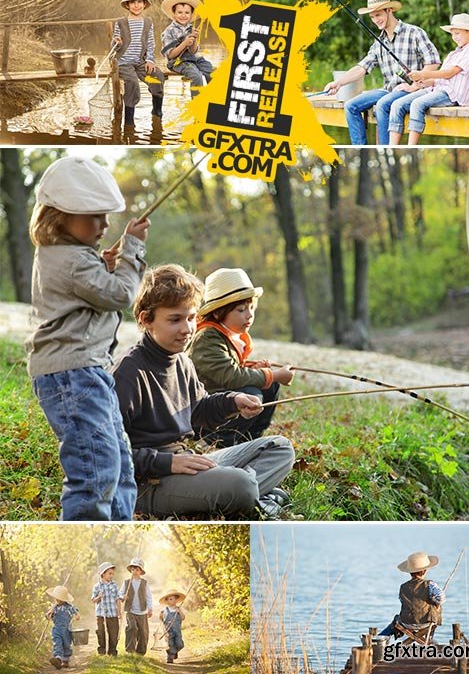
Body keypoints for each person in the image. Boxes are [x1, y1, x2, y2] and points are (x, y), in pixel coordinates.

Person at [113, 264, 295, 520]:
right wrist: (168, 463)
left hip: (185, 460)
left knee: (280, 448)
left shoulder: (182, 361)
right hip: (148, 481)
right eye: (175, 319)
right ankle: (255, 494)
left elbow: (199, 410)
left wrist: (233, 401)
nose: (187, 329)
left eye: (191, 318)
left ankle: (252, 493)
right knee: (240, 485)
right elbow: (109, 451)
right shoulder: (129, 372)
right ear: (146, 320)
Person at [27, 155, 149, 520]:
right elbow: (120, 295)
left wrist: (105, 265)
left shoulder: (67, 256)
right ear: (61, 216)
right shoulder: (74, 261)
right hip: (73, 375)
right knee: (97, 470)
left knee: (121, 465)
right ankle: (88, 528)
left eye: (105, 215)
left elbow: (92, 288)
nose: (105, 224)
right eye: (93, 215)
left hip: (89, 371)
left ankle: (119, 530)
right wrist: (132, 251)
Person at [189, 267, 293, 447]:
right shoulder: (207, 337)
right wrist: (273, 374)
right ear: (217, 312)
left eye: (251, 307)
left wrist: (257, 371)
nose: (249, 314)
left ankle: (247, 439)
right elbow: (231, 376)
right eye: (241, 309)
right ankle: (215, 442)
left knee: (269, 386)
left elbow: (232, 371)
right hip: (201, 413)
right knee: (252, 393)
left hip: (221, 399)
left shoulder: (227, 335)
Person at [324, 0, 440, 145]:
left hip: (412, 91)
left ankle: (385, 147)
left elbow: (434, 62)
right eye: (372, 17)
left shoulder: (414, 32)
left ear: (389, 10)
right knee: (351, 106)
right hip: (389, 90)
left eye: (378, 15)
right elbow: (361, 68)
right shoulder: (379, 42)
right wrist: (338, 83)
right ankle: (360, 148)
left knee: (383, 105)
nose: (375, 20)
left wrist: (414, 86)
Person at [388, 12, 469, 145]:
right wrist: (422, 83)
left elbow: (449, 73)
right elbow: (440, 79)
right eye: (452, 33)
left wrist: (423, 74)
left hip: (452, 95)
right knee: (397, 105)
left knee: (417, 104)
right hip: (437, 90)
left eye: (457, 33)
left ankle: (411, 147)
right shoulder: (454, 54)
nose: (454, 37)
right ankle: (392, 146)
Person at [112, 0, 165, 129]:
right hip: (124, 62)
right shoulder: (121, 23)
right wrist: (116, 42)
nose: (136, 5)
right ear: (127, 5)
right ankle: (129, 119)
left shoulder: (148, 22)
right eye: (133, 2)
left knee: (158, 77)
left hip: (141, 61)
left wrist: (149, 59)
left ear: (144, 4)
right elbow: (115, 44)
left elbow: (150, 42)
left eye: (139, 2)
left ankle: (157, 110)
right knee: (132, 83)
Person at [379, 551, 444, 640]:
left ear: (410, 572)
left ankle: (379, 638)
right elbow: (441, 597)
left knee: (395, 622)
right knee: (436, 608)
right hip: (426, 623)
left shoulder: (403, 587)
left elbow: (403, 601)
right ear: (424, 571)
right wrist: (436, 605)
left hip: (406, 623)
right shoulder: (430, 584)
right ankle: (429, 639)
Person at [161, 0, 213, 89]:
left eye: (187, 13)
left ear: (191, 15)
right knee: (196, 77)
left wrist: (194, 39)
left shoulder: (191, 29)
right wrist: (184, 43)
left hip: (193, 59)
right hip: (177, 62)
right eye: (180, 12)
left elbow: (193, 51)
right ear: (174, 14)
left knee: (213, 72)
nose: (183, 15)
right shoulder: (169, 31)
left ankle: (213, 98)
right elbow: (171, 55)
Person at [117, 558, 153, 656]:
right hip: (131, 610)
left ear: (141, 571)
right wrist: (122, 597)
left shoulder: (144, 583)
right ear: (130, 570)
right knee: (132, 628)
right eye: (133, 569)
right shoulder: (127, 583)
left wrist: (150, 608)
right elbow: (120, 593)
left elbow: (148, 596)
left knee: (143, 632)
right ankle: (130, 651)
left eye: (137, 569)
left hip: (142, 611)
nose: (135, 571)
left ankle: (140, 652)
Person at [91, 561, 122, 658]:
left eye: (112, 573)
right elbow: (93, 600)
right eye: (109, 573)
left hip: (112, 613)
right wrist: (99, 597)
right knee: (101, 632)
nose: (111, 575)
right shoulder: (97, 586)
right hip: (101, 613)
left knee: (114, 634)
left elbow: (117, 599)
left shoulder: (114, 585)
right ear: (103, 574)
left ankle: (112, 651)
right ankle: (102, 650)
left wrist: (119, 612)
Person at [46, 585, 80, 670]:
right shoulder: (54, 607)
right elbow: (47, 616)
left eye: (59, 599)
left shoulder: (69, 606)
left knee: (66, 645)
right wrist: (49, 614)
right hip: (56, 629)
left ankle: (65, 660)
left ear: (64, 599)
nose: (57, 600)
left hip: (66, 629)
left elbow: (76, 612)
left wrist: (77, 616)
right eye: (56, 598)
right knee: (57, 643)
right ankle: (58, 658)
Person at [158, 590, 186, 664]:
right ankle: (170, 657)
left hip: (177, 631)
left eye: (171, 599)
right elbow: (161, 618)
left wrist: (179, 612)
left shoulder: (179, 609)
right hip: (168, 631)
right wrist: (161, 620)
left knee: (179, 644)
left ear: (176, 600)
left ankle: (174, 652)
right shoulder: (165, 610)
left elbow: (183, 618)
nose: (169, 601)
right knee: (169, 644)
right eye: (167, 599)